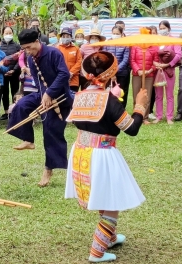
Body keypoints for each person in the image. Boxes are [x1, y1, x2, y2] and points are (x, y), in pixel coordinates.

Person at [64, 51, 147, 263]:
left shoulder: (80, 96)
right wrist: (140, 105)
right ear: (111, 75)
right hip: (101, 154)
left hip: (81, 150)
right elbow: (132, 129)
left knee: (103, 194)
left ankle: (109, 238)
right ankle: (96, 252)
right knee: (111, 205)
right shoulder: (109, 101)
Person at [7, 29, 73, 187]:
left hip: (60, 97)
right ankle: (28, 139)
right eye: (25, 49)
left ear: (37, 41)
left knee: (50, 132)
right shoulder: (30, 59)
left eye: (30, 47)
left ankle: (48, 170)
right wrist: (44, 96)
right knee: (21, 105)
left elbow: (64, 74)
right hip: (43, 95)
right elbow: (37, 81)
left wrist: (50, 94)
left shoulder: (53, 53)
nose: (28, 51)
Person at [153, 20, 182, 125]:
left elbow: (178, 55)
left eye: (164, 28)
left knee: (169, 95)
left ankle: (169, 117)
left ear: (168, 29)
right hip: (158, 71)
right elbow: (152, 54)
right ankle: (159, 116)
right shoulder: (156, 41)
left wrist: (167, 64)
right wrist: (156, 64)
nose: (162, 30)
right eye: (160, 29)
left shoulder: (174, 40)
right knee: (158, 95)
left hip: (169, 71)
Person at [130, 27, 159, 124]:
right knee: (136, 95)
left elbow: (156, 61)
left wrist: (150, 70)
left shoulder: (154, 47)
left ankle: (144, 117)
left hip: (149, 75)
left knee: (147, 96)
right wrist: (138, 70)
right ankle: (136, 116)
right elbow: (132, 60)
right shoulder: (135, 46)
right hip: (137, 74)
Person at [104, 26, 130, 107]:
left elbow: (125, 59)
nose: (115, 35)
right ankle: (111, 111)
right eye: (114, 33)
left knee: (121, 93)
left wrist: (115, 71)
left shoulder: (125, 44)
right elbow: (105, 58)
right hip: (109, 74)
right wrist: (111, 72)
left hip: (122, 73)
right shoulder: (107, 43)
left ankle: (121, 111)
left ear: (122, 34)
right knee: (110, 92)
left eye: (117, 34)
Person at [0, 26, 21, 119]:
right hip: (2, 73)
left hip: (14, 73)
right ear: (2, 34)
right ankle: (6, 111)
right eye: (6, 33)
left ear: (13, 34)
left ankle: (14, 110)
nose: (8, 35)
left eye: (10, 33)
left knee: (15, 91)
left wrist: (14, 69)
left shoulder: (17, 46)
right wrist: (3, 69)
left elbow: (20, 59)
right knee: (4, 92)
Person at [57, 27, 82, 92]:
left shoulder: (76, 49)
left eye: (67, 36)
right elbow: (55, 62)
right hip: (61, 79)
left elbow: (79, 62)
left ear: (71, 37)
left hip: (73, 80)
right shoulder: (57, 49)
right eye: (63, 36)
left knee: (73, 98)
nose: (65, 38)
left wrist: (71, 73)